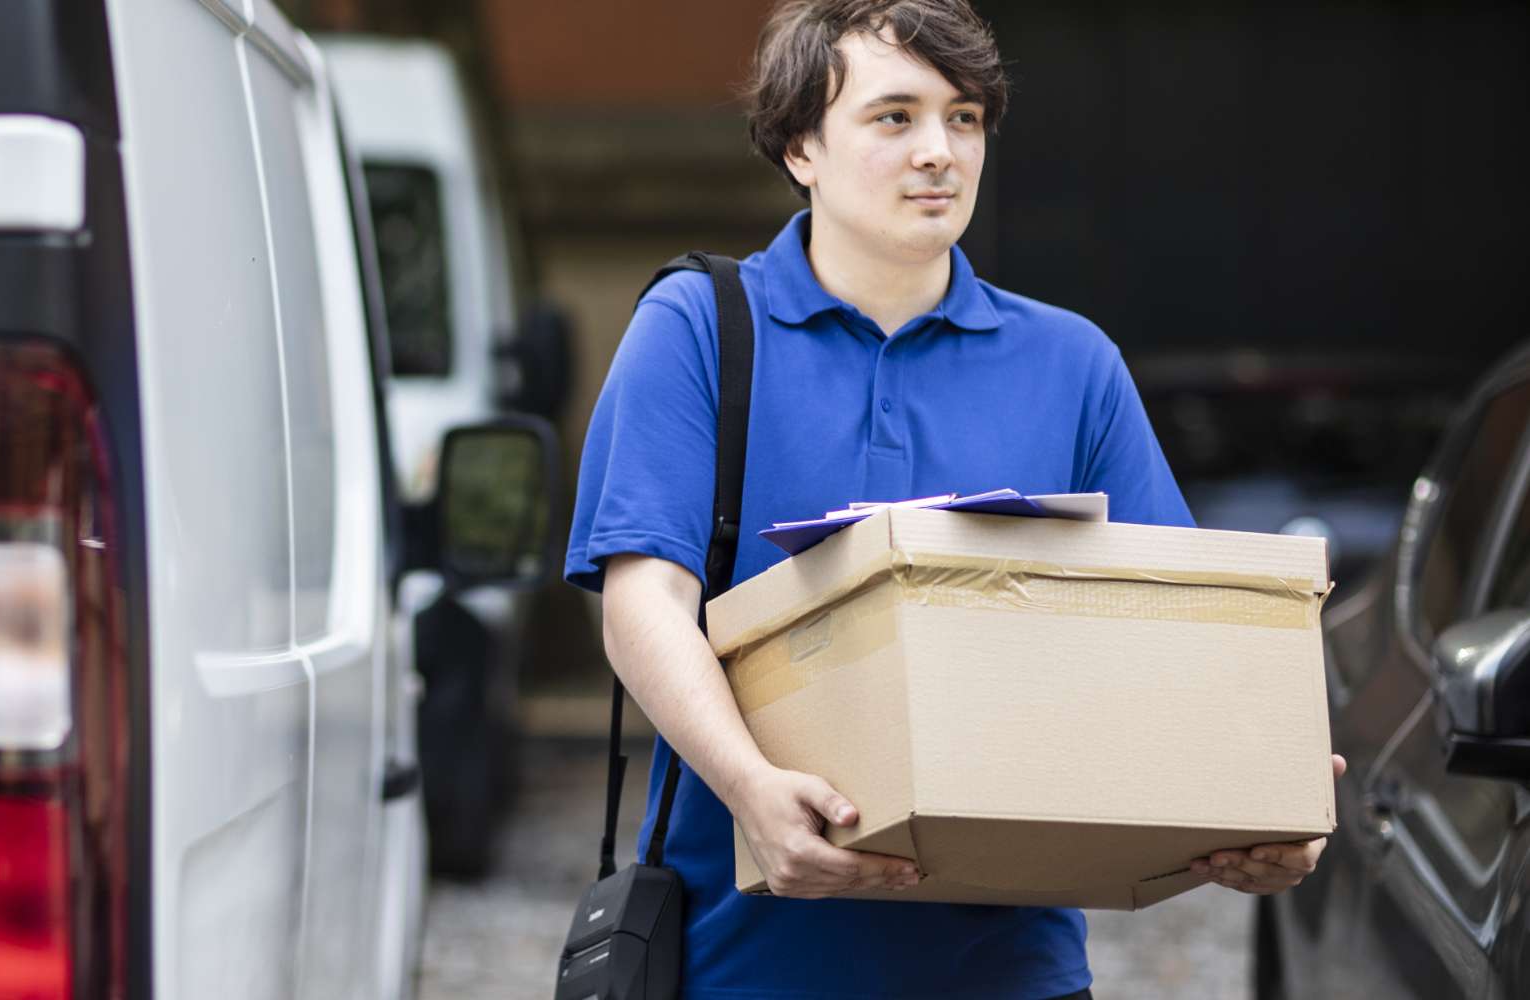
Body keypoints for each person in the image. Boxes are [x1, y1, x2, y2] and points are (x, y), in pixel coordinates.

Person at [563, 1, 1341, 996]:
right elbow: (642, 607)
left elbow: (1180, 640)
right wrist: (752, 791)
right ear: (802, 144)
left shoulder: (1072, 364)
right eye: (896, 117)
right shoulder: (700, 329)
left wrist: (1255, 803)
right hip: (744, 962)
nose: (940, 150)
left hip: (1014, 971)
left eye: (963, 118)